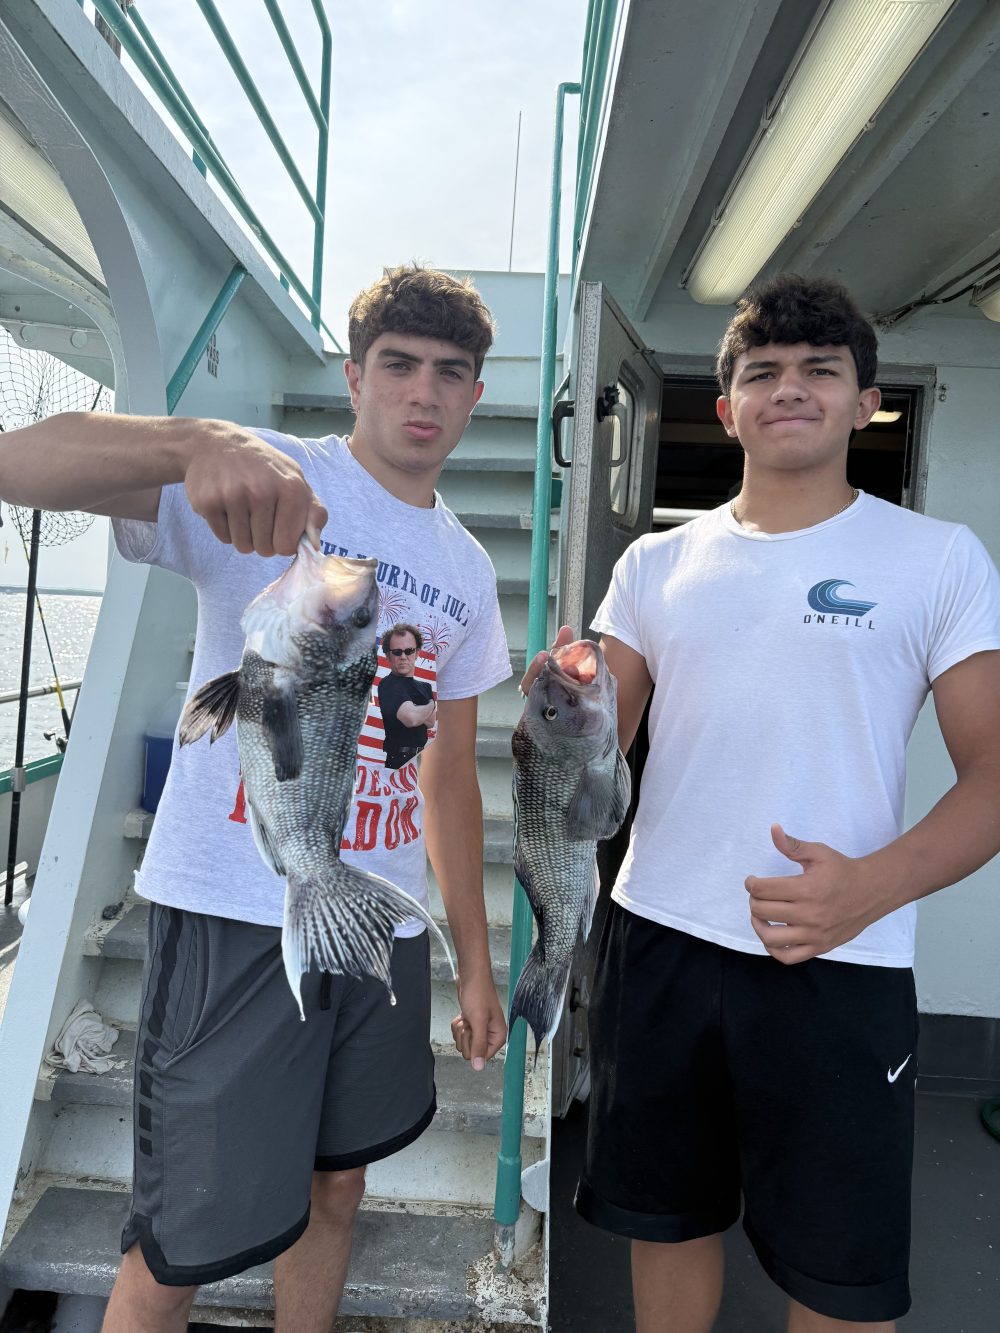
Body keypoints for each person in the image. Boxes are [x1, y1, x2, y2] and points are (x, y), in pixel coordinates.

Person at [0, 263, 511, 1332]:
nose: (423, 393)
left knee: (339, 1183)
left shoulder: (464, 564)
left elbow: (449, 773)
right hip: (235, 910)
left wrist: (474, 956)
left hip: (375, 917)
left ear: (475, 394)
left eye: (450, 374)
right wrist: (192, 442)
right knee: (182, 1231)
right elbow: (18, 464)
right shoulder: (267, 476)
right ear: (355, 374)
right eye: (399, 365)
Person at [524, 274, 1000, 1332]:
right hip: (661, 937)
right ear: (726, 406)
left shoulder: (936, 559)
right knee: (668, 1222)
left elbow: (994, 774)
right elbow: (598, 727)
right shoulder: (655, 562)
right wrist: (568, 690)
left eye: (819, 372)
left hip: (838, 961)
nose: (789, 390)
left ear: (865, 401)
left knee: (839, 1270)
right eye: (762, 373)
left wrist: (871, 889)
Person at [378, 622, 437, 768]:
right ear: (388, 656)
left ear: (417, 653)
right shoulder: (388, 684)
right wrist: (430, 704)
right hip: (397, 761)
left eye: (409, 651)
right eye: (397, 652)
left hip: (421, 760)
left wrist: (417, 710)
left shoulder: (425, 686)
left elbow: (430, 722)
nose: (403, 656)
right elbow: (411, 719)